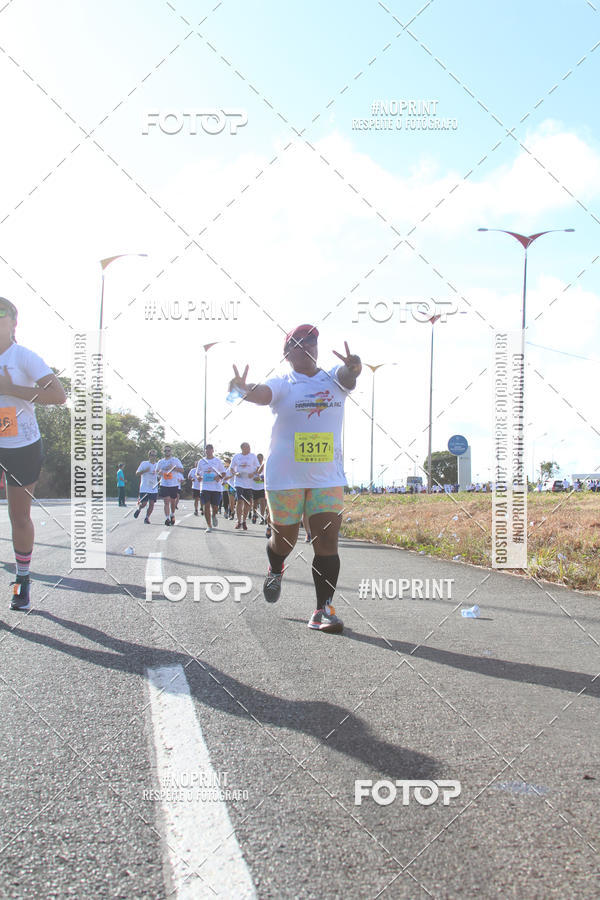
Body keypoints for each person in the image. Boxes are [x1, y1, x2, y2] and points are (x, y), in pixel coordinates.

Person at [228, 325, 361, 634]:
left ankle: (323, 609)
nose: (306, 347)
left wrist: (354, 366)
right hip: (285, 476)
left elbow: (348, 376)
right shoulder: (283, 383)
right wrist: (242, 388)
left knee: (327, 540)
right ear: (287, 354)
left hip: (326, 477)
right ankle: (276, 566)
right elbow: (262, 395)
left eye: (311, 341)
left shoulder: (333, 378)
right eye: (298, 343)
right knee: (285, 540)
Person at [0, 298, 67, 610]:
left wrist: (10, 389)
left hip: (21, 445)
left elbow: (58, 396)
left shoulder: (24, 357)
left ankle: (22, 583)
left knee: (19, 515)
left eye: (1, 315)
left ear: (14, 322)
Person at [227, 442, 260, 530]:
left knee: (247, 503)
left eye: (249, 447)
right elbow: (231, 468)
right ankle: (238, 521)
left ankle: (244, 521)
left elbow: (258, 467)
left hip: (249, 483)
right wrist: (235, 473)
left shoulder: (253, 456)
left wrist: (253, 474)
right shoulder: (236, 456)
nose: (249, 449)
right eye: (247, 447)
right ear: (242, 448)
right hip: (239, 482)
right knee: (240, 501)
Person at [195, 444, 227, 533]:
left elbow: (223, 473)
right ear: (205, 451)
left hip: (216, 488)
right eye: (206, 449)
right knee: (206, 507)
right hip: (205, 487)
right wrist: (198, 477)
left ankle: (214, 515)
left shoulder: (217, 461)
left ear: (213, 450)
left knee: (215, 507)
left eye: (210, 449)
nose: (208, 451)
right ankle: (209, 525)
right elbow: (197, 473)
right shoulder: (201, 461)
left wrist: (219, 477)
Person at [156, 445, 184, 526]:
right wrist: (160, 472)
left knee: (172, 501)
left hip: (174, 484)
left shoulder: (175, 460)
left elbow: (182, 470)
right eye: (165, 451)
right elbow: (157, 471)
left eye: (168, 450)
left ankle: (172, 514)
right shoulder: (160, 462)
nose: (167, 452)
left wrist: (173, 468)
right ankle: (167, 518)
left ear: (171, 451)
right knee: (166, 501)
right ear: (163, 452)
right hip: (164, 483)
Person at [134, 450, 158, 523]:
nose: (153, 457)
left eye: (154, 455)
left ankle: (147, 518)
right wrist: (145, 471)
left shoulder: (157, 465)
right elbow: (137, 473)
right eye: (151, 455)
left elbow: (161, 475)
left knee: (152, 504)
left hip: (153, 488)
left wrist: (158, 473)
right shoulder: (144, 463)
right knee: (144, 504)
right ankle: (139, 509)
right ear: (149, 456)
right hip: (144, 487)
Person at [251, 453, 267, 525]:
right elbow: (251, 477)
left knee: (262, 502)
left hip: (262, 488)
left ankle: (262, 517)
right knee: (255, 503)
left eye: (260, 458)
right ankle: (254, 514)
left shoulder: (265, 467)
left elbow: (266, 477)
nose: (259, 459)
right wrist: (255, 478)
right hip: (254, 487)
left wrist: (260, 478)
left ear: (262, 458)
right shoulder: (253, 467)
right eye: (258, 458)